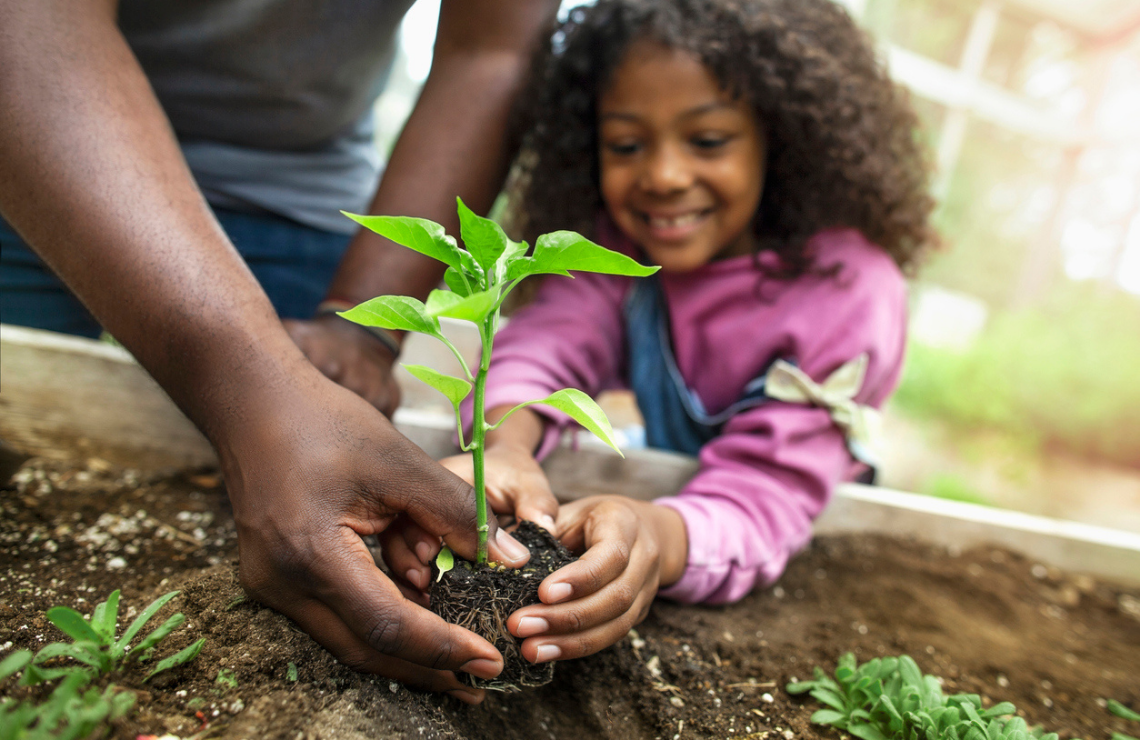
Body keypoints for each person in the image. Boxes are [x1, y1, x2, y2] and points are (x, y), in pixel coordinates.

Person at [0, 0, 561, 704]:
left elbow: (492, 53)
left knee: (327, 474)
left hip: (295, 193)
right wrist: (255, 390)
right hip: (38, 133)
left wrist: (361, 328)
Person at [385, 0, 935, 667]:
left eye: (707, 140)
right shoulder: (618, 248)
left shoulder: (849, 292)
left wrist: (657, 534)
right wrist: (505, 448)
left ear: (782, 136)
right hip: (684, 476)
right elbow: (546, 348)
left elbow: (766, 495)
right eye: (626, 144)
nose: (664, 176)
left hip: (793, 500)